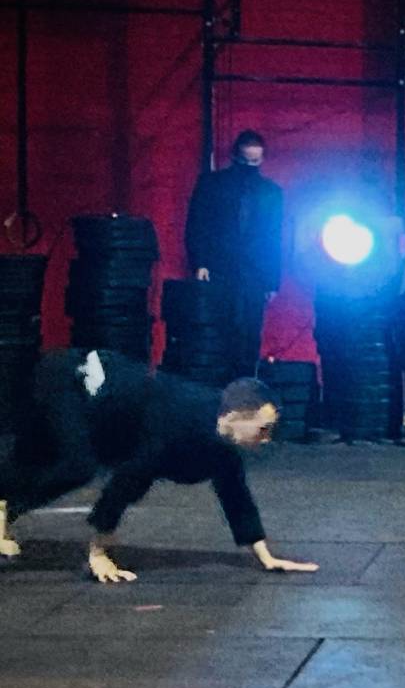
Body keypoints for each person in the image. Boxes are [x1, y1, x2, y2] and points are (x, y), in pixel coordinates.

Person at [0, 348, 317, 582]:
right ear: (235, 416)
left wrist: (266, 557)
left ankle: (5, 508)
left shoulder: (222, 445)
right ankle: (5, 507)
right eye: (262, 430)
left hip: (107, 415)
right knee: (77, 465)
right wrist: (98, 554)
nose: (266, 440)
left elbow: (236, 495)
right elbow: (129, 480)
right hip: (69, 380)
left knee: (58, 461)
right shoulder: (178, 423)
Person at [185, 129, 284, 378]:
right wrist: (200, 262)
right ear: (234, 157)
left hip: (253, 271)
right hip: (220, 266)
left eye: (255, 161)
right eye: (246, 161)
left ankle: (245, 387)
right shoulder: (212, 184)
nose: (250, 166)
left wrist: (272, 280)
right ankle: (221, 389)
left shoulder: (271, 192)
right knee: (218, 328)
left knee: (250, 332)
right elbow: (197, 224)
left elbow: (274, 237)